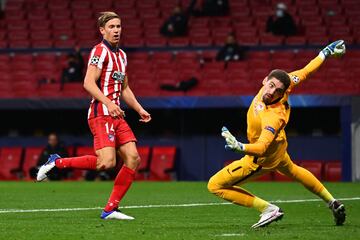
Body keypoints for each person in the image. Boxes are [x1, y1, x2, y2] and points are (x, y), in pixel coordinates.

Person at [207, 40, 346, 228]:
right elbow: (306, 71)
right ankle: (333, 202)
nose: (271, 92)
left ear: (283, 93)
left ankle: (268, 209)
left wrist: (240, 147)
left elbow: (261, 147)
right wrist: (326, 52)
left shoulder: (273, 117)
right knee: (294, 170)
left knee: (214, 185)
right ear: (265, 80)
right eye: (270, 85)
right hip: (279, 148)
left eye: (277, 90)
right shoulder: (286, 82)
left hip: (261, 158)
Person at [36, 12, 152, 220]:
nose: (116, 30)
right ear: (102, 30)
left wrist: (139, 108)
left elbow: (125, 88)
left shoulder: (122, 56)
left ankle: (110, 210)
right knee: (106, 163)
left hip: (117, 115)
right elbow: (88, 83)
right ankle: (56, 162)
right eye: (112, 27)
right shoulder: (99, 51)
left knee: (133, 159)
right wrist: (108, 102)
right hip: (101, 112)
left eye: (119, 26)